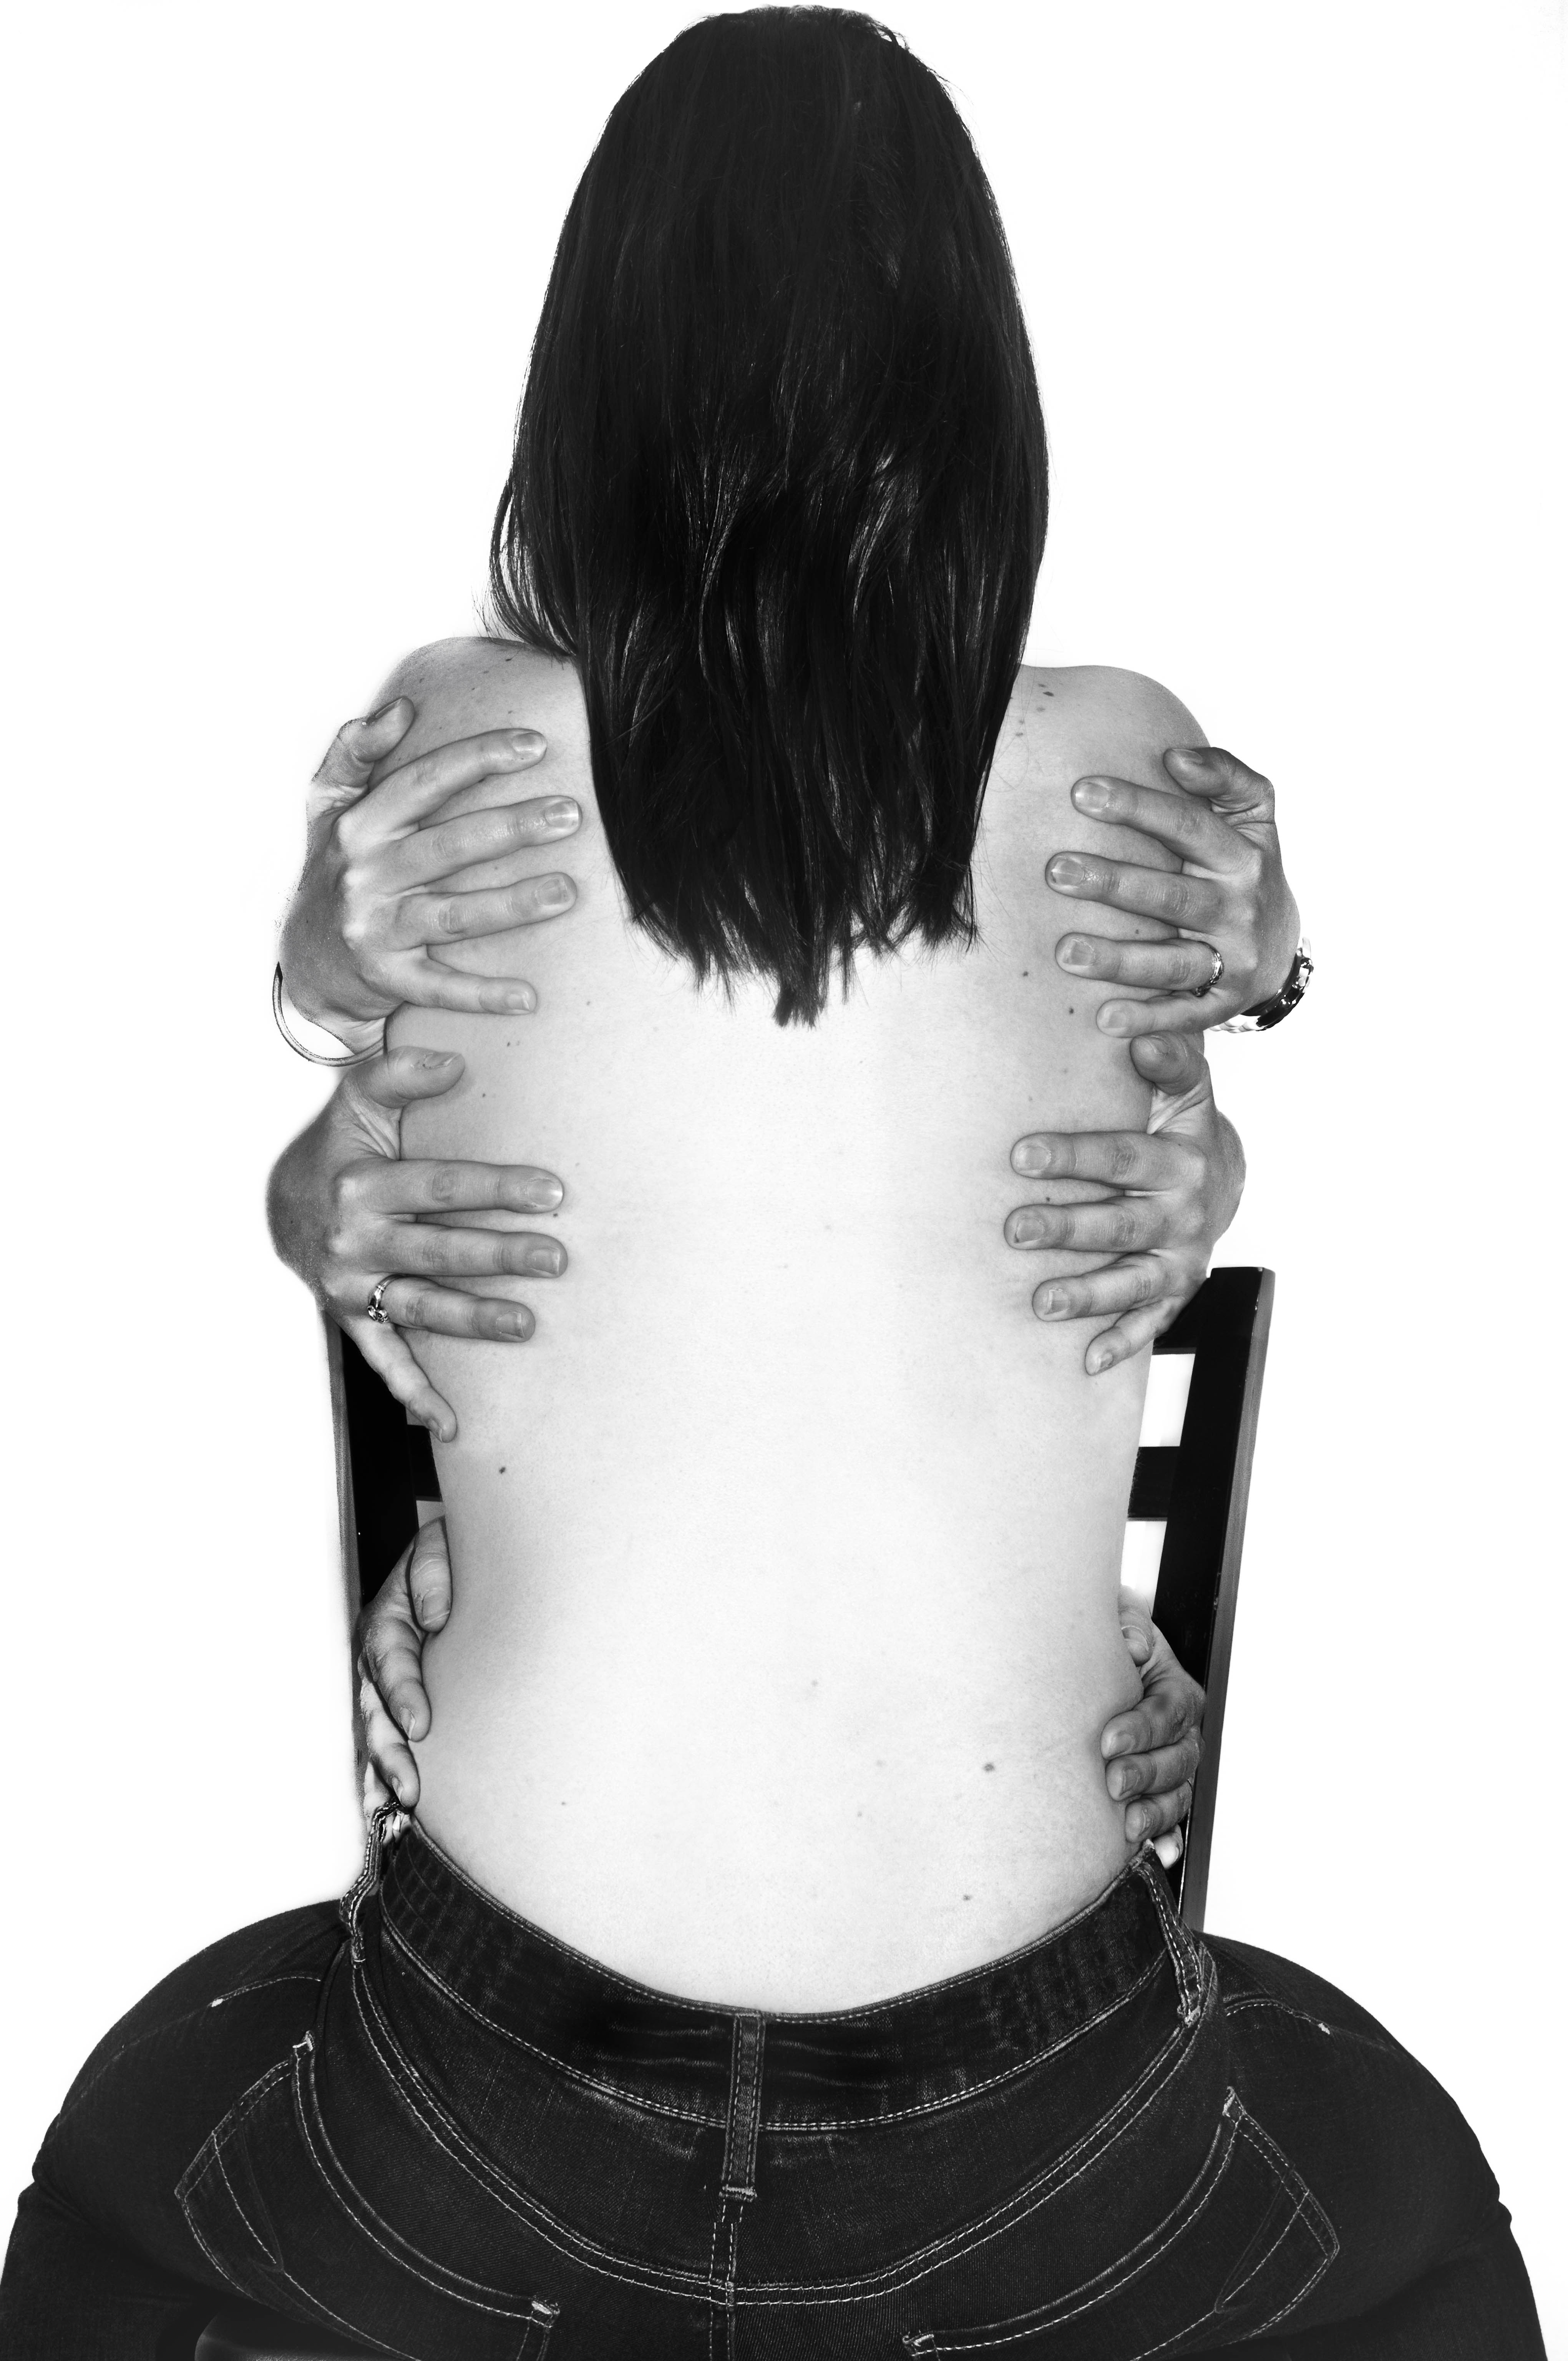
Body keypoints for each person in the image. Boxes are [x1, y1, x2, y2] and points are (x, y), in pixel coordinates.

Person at [0, 13, 1542, 2357]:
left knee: (138, 2152)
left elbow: (529, 1239)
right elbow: (984, 1231)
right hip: (1045, 2151)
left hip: (475, 2133)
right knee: (1395, 2177)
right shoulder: (1130, 765)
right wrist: (1264, 982)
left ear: (592, 376)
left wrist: (332, 1072)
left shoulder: (453, 741)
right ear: (980, 394)